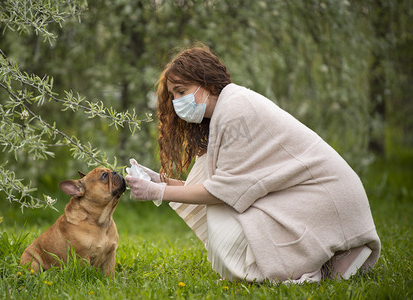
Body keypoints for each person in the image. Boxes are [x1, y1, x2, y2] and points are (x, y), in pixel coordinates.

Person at [125, 44, 381, 283]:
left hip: (328, 199)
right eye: (173, 95)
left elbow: (223, 191)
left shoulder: (235, 112)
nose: (177, 102)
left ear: (207, 83)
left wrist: (157, 192)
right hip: (316, 196)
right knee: (217, 195)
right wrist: (160, 182)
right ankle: (328, 260)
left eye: (181, 91)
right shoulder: (228, 108)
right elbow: (224, 183)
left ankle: (333, 254)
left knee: (221, 218)